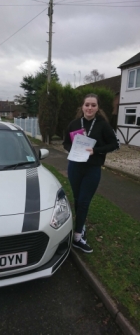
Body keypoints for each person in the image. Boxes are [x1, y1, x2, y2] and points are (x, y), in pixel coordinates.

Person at [63, 93, 119, 253]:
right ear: (82, 106)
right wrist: (72, 148)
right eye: (87, 104)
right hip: (74, 167)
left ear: (98, 108)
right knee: (77, 199)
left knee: (84, 201)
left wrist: (96, 151)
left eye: (93, 105)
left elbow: (114, 144)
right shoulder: (74, 124)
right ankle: (81, 225)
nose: (89, 108)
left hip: (92, 169)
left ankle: (77, 236)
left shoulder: (103, 125)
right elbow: (65, 142)